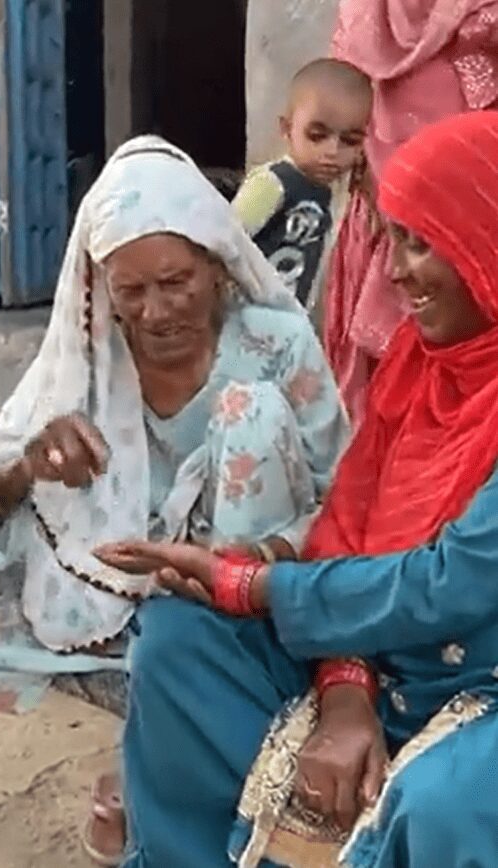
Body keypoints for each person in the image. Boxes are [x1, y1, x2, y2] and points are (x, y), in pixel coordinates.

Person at [0, 137, 348, 862]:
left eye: (176, 281)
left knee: (250, 412)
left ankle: (179, 712)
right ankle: (154, 716)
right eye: (131, 292)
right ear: (102, 287)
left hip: (233, 603)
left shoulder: (276, 345)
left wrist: (253, 558)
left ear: (217, 265)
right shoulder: (88, 358)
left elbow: (343, 499)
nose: (156, 312)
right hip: (107, 610)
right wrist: (28, 467)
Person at [95, 112, 498, 867]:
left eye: (419, 242)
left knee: (442, 800)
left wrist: (254, 585)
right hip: (383, 650)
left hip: (484, 680)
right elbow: (351, 518)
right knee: (177, 645)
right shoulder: (419, 363)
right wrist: (346, 688)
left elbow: (454, 580)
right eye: (390, 240)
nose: (395, 272)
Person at [327, 0, 498, 423]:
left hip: (470, 218)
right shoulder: (366, 14)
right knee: (395, 380)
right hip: (387, 215)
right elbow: (337, 97)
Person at [233, 59, 372, 327]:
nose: (332, 151)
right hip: (247, 322)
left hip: (288, 327)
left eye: (350, 141)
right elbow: (224, 244)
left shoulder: (331, 194)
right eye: (317, 135)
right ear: (286, 129)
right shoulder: (272, 184)